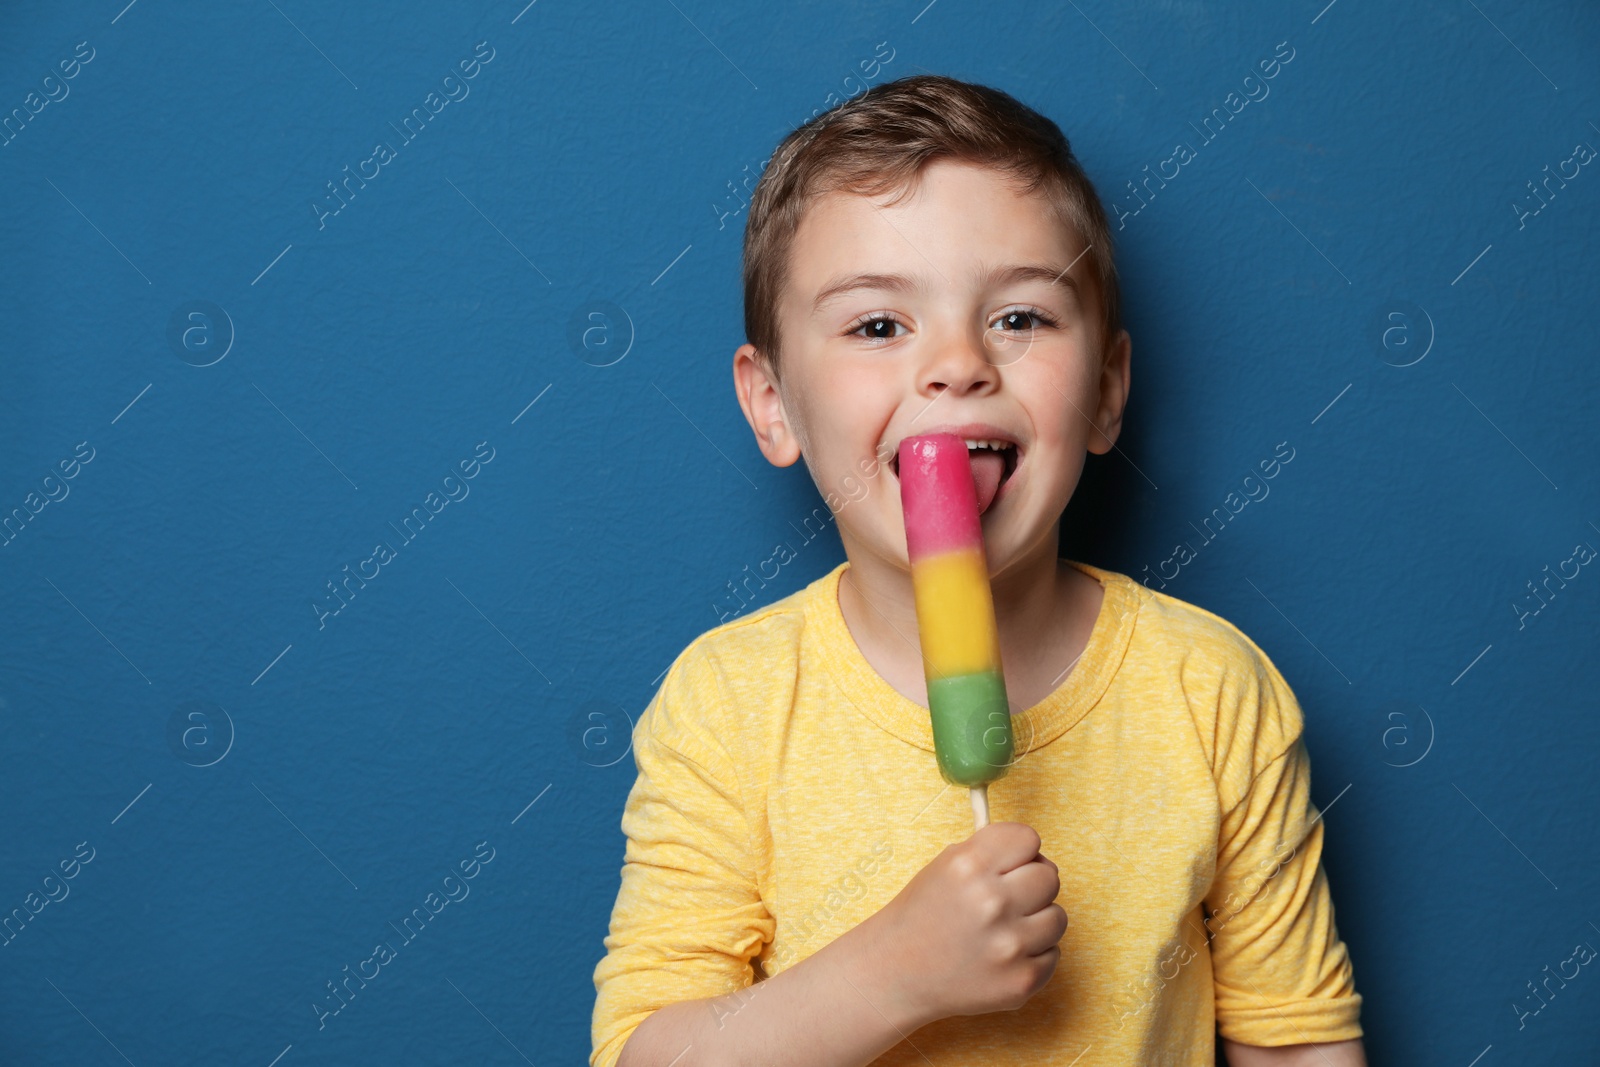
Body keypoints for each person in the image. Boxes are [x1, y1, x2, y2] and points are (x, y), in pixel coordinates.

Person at [590, 74, 1365, 1067]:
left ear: (1106, 391)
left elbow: (1297, 1043)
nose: (956, 364)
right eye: (878, 325)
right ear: (772, 401)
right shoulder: (728, 706)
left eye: (1020, 318)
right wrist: (890, 973)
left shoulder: (1211, 692)